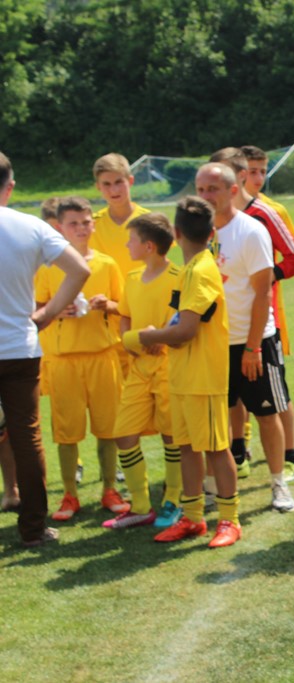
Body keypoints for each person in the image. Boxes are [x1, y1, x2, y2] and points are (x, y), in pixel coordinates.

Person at [136, 196, 239, 547]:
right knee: (186, 448)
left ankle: (229, 519)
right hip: (181, 376)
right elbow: (177, 322)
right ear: (212, 232)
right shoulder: (191, 268)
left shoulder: (202, 270)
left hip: (203, 378)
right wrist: (159, 335)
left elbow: (186, 331)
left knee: (214, 448)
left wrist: (142, 337)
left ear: (176, 233)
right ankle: (193, 518)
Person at [195, 162, 294, 512]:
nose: (206, 197)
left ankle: (279, 483)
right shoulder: (199, 233)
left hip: (253, 341)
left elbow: (262, 293)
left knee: (267, 414)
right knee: (215, 417)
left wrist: (252, 347)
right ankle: (211, 488)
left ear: (233, 191)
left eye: (213, 189)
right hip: (212, 345)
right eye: (201, 189)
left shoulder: (251, 231)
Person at [0, 151, 89, 546]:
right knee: (26, 435)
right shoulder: (29, 226)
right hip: (19, 345)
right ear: (11, 186)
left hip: (19, 344)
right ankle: (33, 529)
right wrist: (47, 314)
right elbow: (79, 270)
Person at [210, 148, 294, 483]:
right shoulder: (210, 221)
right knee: (232, 399)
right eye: (251, 170)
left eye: (259, 171)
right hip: (226, 328)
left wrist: (264, 277)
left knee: (275, 397)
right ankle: (239, 452)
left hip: (265, 323)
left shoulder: (265, 214)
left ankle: (289, 457)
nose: (256, 177)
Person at [34, 196, 128, 522]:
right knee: (66, 433)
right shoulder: (47, 265)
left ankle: (109, 490)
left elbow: (123, 307)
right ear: (59, 227)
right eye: (73, 223)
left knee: (108, 429)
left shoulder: (106, 263)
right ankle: (70, 496)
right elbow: (37, 308)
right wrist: (59, 311)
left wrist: (108, 305)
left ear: (93, 223)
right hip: (64, 361)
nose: (81, 228)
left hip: (103, 357)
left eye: (86, 222)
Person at [106, 213, 184, 530]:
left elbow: (182, 318)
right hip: (139, 368)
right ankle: (139, 505)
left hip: (168, 365)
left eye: (131, 240)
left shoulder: (178, 277)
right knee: (123, 433)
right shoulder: (132, 278)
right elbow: (124, 316)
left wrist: (160, 335)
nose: (126, 245)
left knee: (172, 435)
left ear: (149, 246)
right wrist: (133, 340)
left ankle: (174, 500)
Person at [91, 153, 150, 278]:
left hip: (141, 295)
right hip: (105, 296)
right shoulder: (90, 225)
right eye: (106, 184)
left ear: (130, 181)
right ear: (98, 187)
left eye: (119, 182)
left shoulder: (149, 221)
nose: (114, 190)